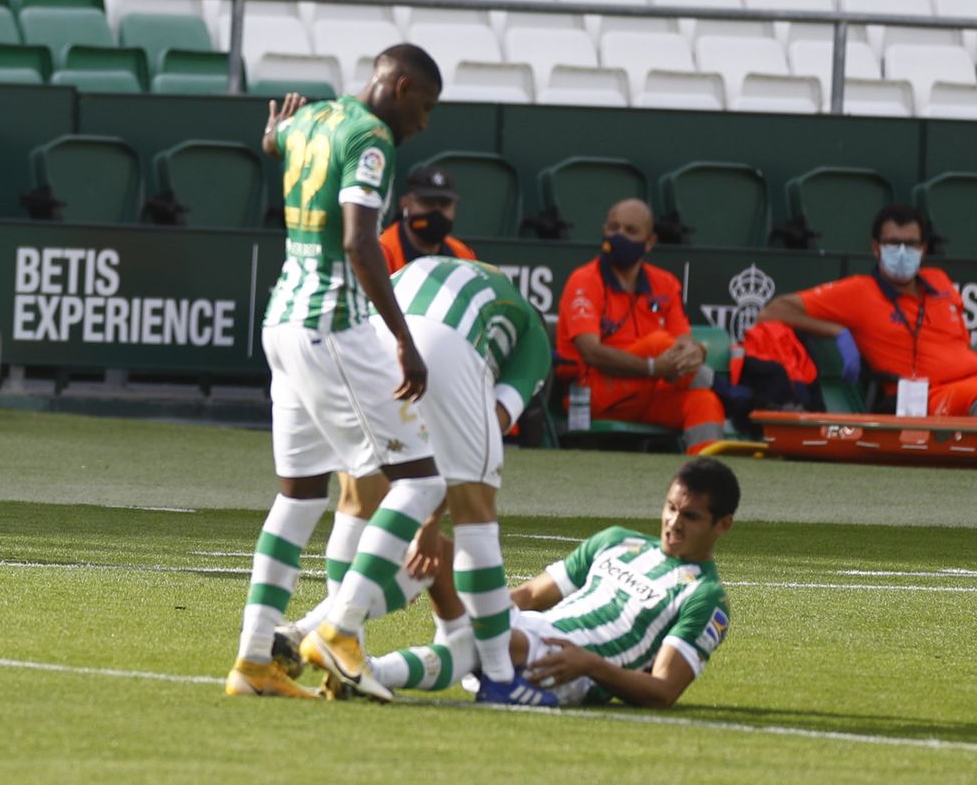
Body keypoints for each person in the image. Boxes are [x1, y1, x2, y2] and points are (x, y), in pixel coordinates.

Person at [225, 44, 447, 703]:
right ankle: (342, 627)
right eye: (425, 106)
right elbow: (358, 240)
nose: (424, 122)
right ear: (399, 85)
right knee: (422, 480)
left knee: (298, 496)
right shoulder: (372, 137)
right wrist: (404, 338)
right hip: (332, 326)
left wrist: (272, 135)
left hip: (282, 324)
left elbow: (275, 141)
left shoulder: (313, 118)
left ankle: (254, 657)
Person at [275, 255, 552, 703]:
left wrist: (424, 516)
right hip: (439, 345)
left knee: (358, 499)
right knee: (476, 514)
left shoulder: (444, 268)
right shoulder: (533, 337)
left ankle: (338, 652)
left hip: (361, 341)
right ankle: (501, 677)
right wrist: (431, 522)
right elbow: (477, 444)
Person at [362, 458, 738, 708]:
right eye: (671, 508)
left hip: (567, 663)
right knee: (441, 554)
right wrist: (464, 596)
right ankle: (356, 653)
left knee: (486, 641)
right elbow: (527, 596)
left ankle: (369, 670)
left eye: (691, 516)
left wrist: (592, 665)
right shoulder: (617, 541)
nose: (673, 523)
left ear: (723, 525)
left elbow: (664, 690)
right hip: (531, 630)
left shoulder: (704, 597)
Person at [756, 203, 977, 416]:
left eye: (910, 244)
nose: (902, 252)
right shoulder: (859, 291)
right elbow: (771, 313)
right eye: (893, 243)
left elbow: (962, 344)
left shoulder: (939, 280)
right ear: (876, 248)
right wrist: (837, 331)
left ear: (923, 249)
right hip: (929, 396)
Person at [555, 198, 724, 453]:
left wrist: (697, 351)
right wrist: (652, 367)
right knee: (658, 343)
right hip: (599, 390)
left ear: (650, 242)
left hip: (653, 391)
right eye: (614, 228)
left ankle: (708, 477)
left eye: (631, 231)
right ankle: (725, 388)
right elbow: (590, 351)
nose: (619, 235)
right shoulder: (584, 280)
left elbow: (683, 343)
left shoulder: (665, 283)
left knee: (704, 401)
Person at [378, 161, 477, 274]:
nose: (436, 212)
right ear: (405, 203)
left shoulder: (463, 256)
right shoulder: (382, 251)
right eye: (427, 202)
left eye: (444, 204)